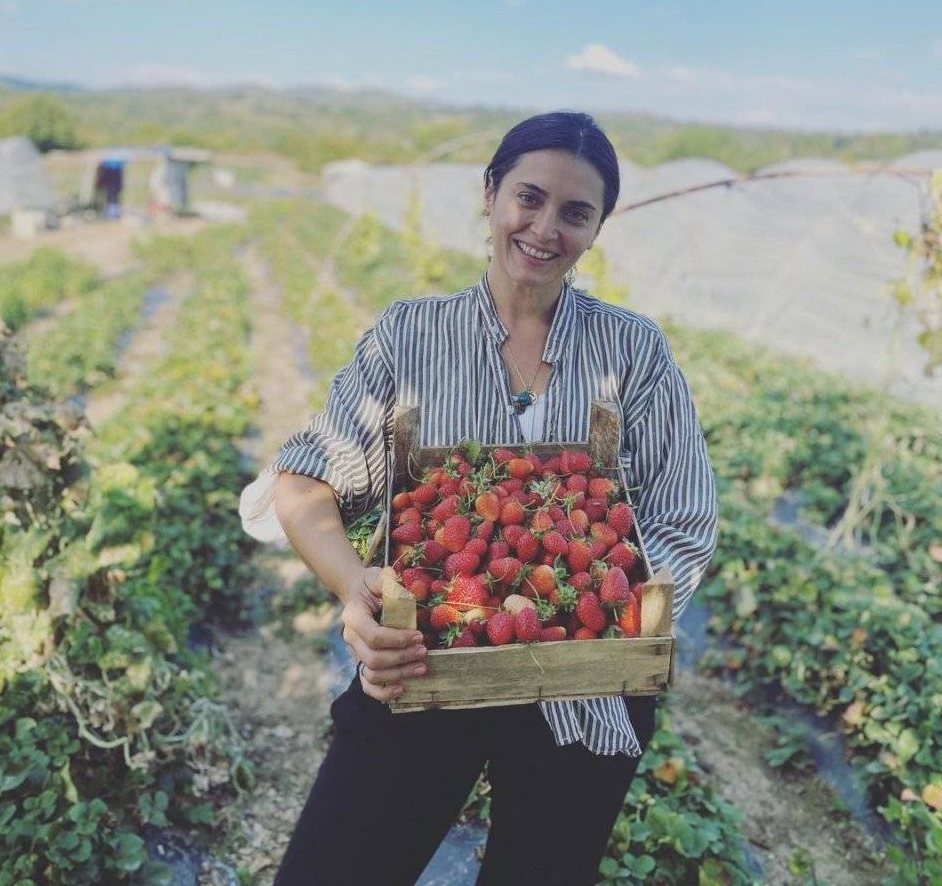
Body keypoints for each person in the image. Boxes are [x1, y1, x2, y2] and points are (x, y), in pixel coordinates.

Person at [239, 111, 718, 886]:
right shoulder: (409, 334)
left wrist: (600, 612)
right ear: (491, 193)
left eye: (574, 212)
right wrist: (354, 586)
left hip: (585, 695)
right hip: (422, 663)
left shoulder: (634, 350)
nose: (544, 227)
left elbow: (684, 518)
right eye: (528, 197)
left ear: (598, 228)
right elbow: (303, 484)